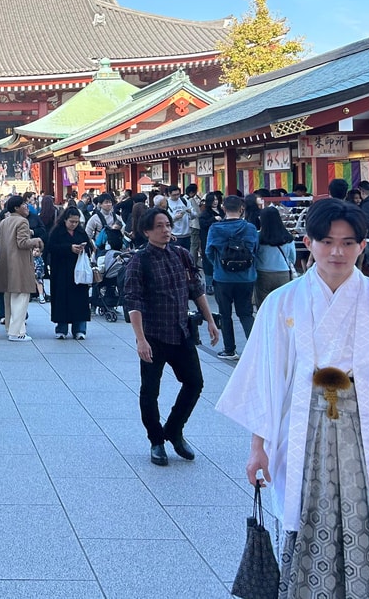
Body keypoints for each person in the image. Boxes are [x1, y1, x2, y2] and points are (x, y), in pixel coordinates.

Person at [216, 198, 369, 597]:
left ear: (363, 246)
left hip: (368, 432)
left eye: (349, 243)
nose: (337, 252)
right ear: (307, 242)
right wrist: (258, 447)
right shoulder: (282, 303)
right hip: (304, 430)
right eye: (327, 241)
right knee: (307, 515)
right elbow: (265, 379)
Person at [123, 208, 220, 467]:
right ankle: (156, 440)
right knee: (150, 390)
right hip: (154, 334)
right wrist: (140, 339)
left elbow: (196, 289)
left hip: (181, 331)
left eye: (167, 224)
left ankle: (174, 430)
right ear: (146, 231)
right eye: (159, 226)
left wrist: (210, 320)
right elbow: (133, 300)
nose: (166, 230)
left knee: (194, 383)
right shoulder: (140, 261)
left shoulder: (182, 255)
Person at [206, 195, 259, 361]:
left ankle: (229, 349)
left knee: (225, 314)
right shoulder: (250, 228)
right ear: (241, 208)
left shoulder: (215, 228)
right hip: (246, 277)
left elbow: (208, 251)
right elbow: (255, 250)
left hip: (223, 277)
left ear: (223, 208)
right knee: (246, 314)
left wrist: (217, 265)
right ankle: (254, 349)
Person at [0, 195, 44, 341]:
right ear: (16, 207)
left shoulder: (4, 222)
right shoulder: (22, 221)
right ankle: (17, 332)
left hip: (5, 263)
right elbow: (22, 243)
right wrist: (36, 241)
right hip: (19, 264)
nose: (27, 206)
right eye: (23, 204)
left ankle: (10, 328)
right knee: (21, 297)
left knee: (9, 297)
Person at [47, 207, 93, 339]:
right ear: (65, 220)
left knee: (80, 301)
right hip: (61, 271)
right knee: (62, 300)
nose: (74, 224)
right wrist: (69, 248)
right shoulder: (57, 232)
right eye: (71, 221)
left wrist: (83, 248)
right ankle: (61, 329)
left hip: (78, 272)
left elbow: (89, 247)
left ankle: (80, 329)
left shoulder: (80, 232)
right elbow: (51, 248)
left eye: (76, 222)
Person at [254, 206, 297, 308]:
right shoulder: (288, 237)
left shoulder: (258, 237)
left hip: (263, 274)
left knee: (263, 307)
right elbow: (292, 259)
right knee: (282, 306)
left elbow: (254, 255)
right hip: (283, 274)